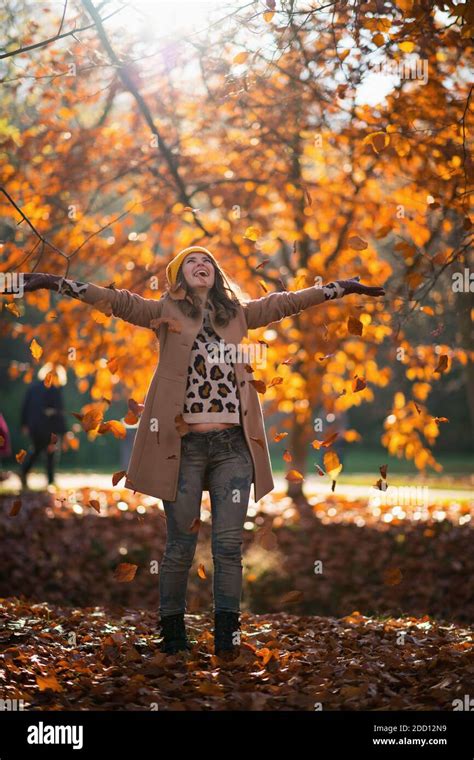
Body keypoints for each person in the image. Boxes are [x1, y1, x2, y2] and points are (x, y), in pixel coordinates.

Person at [7, 249, 384, 658]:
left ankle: (227, 640)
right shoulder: (162, 312)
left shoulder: (239, 313)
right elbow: (111, 299)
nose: (201, 263)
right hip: (182, 448)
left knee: (227, 546)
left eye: (207, 260)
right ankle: (172, 637)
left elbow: (288, 301)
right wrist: (51, 281)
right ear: (180, 277)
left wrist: (339, 289)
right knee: (180, 546)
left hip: (233, 448)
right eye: (191, 262)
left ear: (216, 273)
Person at [19, 364, 67, 489]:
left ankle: (25, 472)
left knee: (37, 450)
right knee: (48, 453)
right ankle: (49, 480)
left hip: (35, 427)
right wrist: (62, 431)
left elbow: (25, 407)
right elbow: (59, 412)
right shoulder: (54, 390)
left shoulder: (33, 387)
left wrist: (24, 424)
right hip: (49, 428)